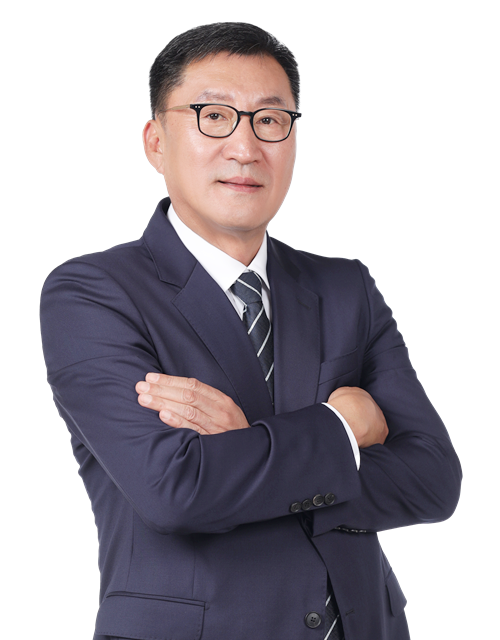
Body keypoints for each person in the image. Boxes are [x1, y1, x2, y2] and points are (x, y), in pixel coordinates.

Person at [39, 22, 462, 640]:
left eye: (270, 120)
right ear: (155, 142)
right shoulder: (92, 292)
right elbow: (176, 491)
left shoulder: (344, 286)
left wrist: (245, 451)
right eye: (213, 116)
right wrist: (341, 429)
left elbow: (433, 480)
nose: (245, 147)